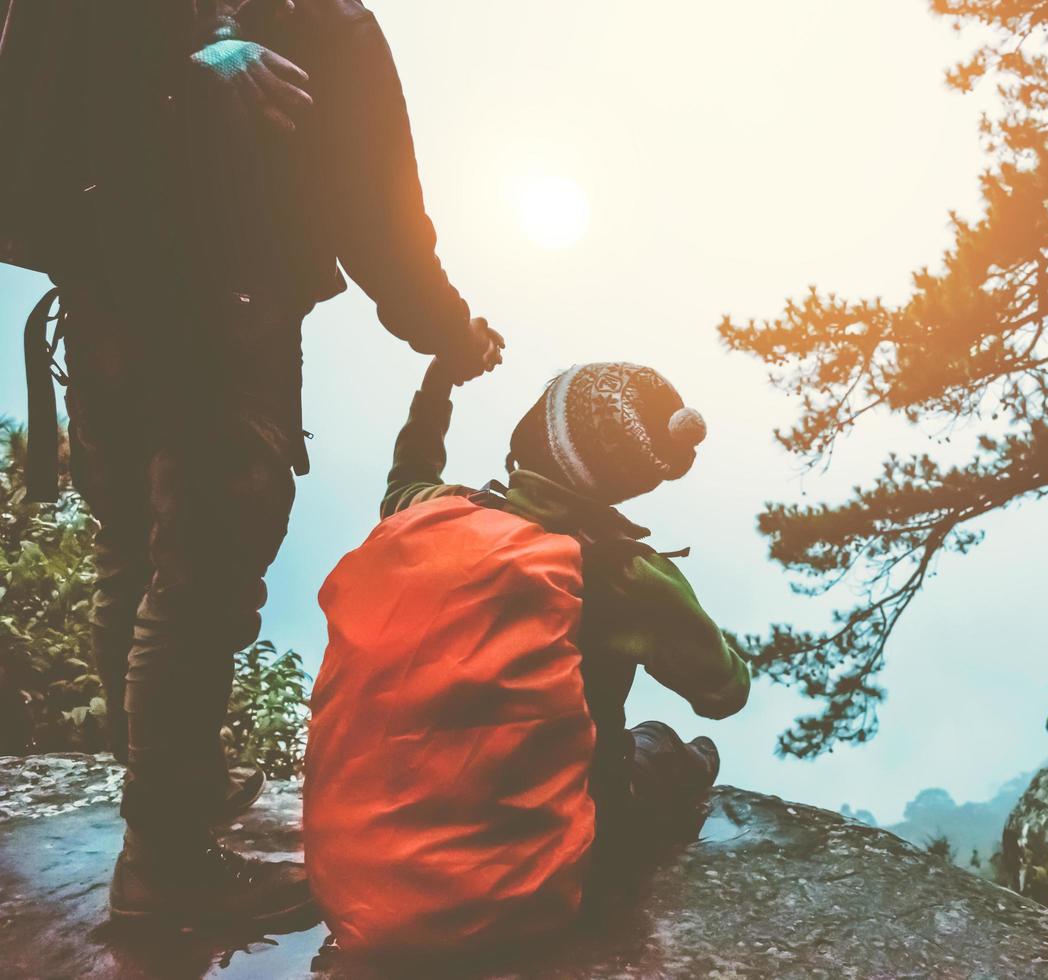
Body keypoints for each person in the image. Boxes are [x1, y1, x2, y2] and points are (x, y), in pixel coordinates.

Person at [2, 1, 503, 927]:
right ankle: (166, 863)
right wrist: (450, 330)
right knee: (200, 583)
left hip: (101, 317)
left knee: (135, 558)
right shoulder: (323, 19)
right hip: (228, 332)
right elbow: (381, 218)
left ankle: (168, 785)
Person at [303, 360, 750, 953]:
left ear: (527, 436)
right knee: (663, 746)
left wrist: (436, 390)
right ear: (632, 482)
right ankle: (679, 763)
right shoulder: (623, 571)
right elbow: (724, 691)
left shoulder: (436, 510)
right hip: (526, 898)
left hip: (353, 891)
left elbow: (404, 479)